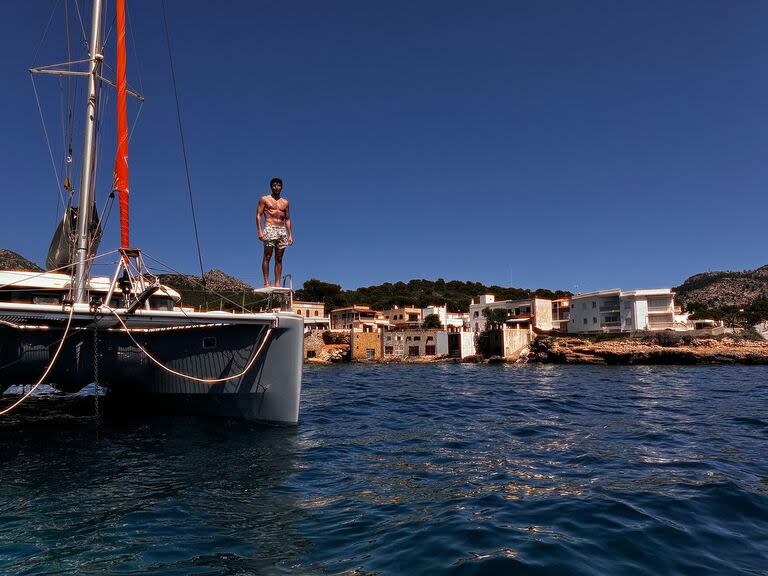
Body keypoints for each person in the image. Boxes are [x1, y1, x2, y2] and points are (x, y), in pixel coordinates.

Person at [256, 177, 293, 287]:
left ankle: (277, 283)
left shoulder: (285, 202)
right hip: (270, 228)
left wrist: (290, 234)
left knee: (279, 258)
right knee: (267, 256)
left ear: (281, 187)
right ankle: (266, 282)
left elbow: (288, 219)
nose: (276, 187)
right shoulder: (264, 199)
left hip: (282, 230)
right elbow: (258, 215)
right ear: (271, 187)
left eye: (278, 185)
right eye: (274, 185)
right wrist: (259, 231)